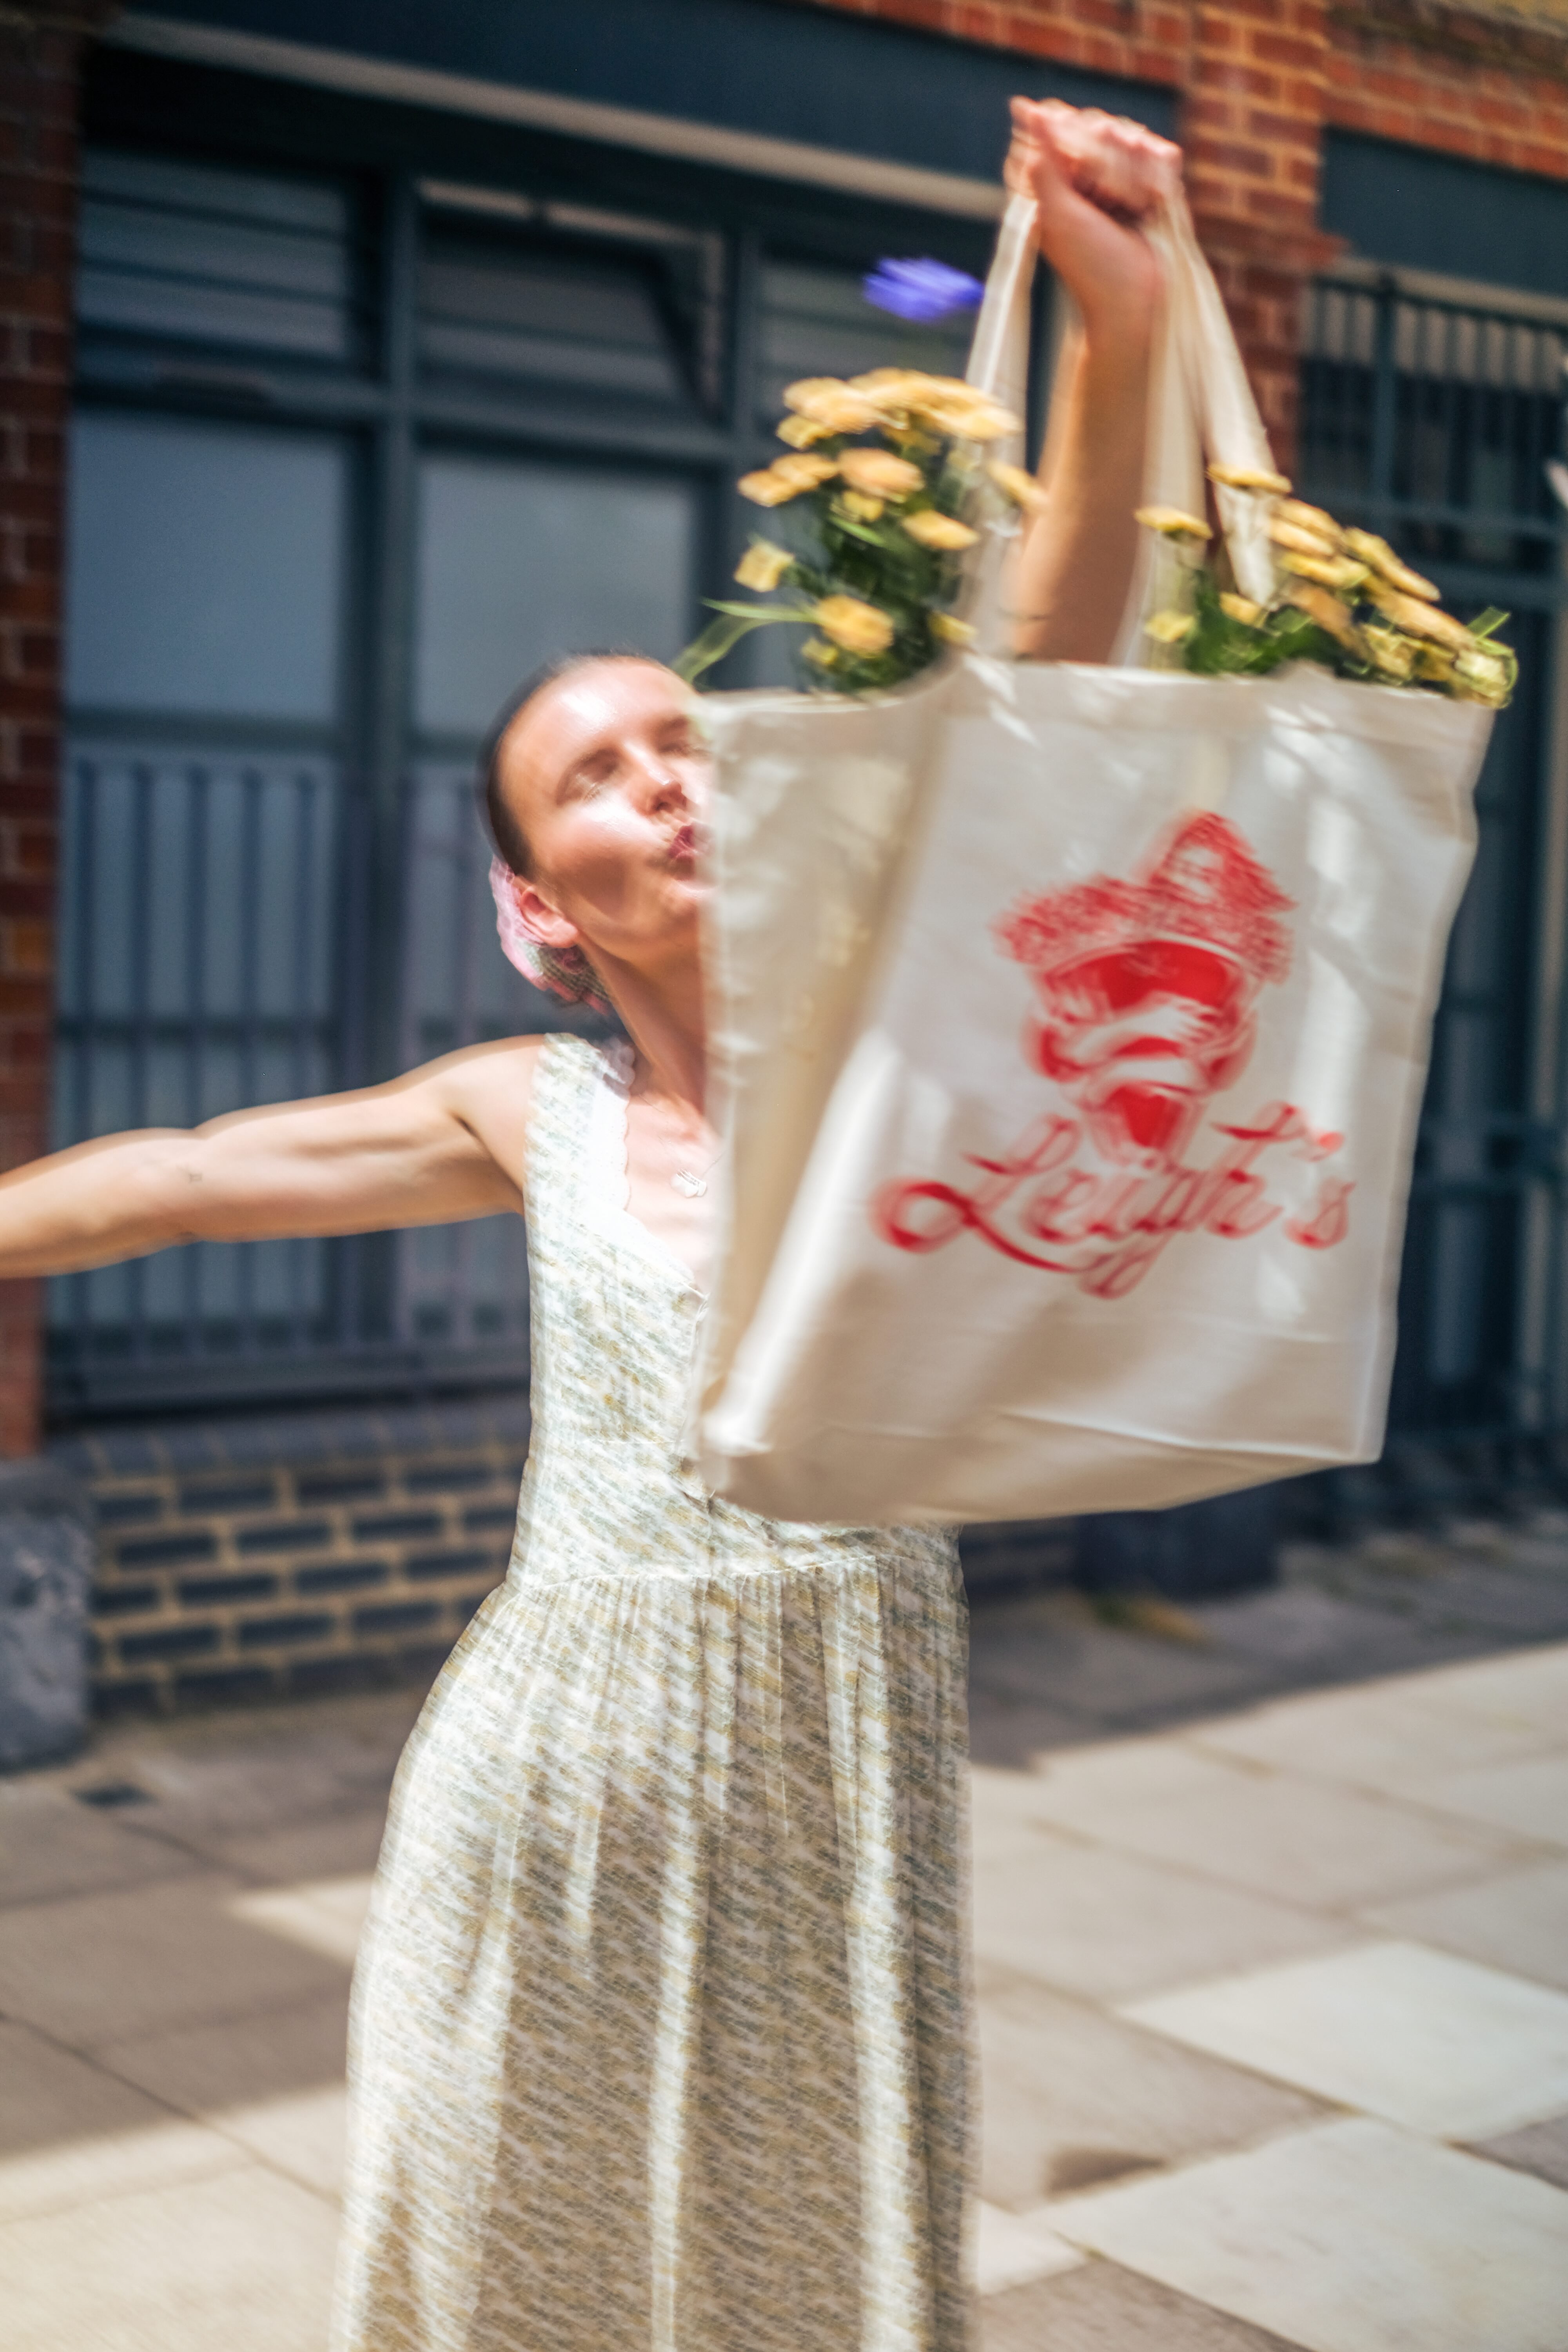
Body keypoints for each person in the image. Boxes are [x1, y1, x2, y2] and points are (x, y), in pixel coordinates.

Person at [0, 99, 1176, 2352]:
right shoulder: (521, 1109)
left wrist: (1116, 324)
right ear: (545, 910)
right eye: (596, 777)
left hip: (839, 1799)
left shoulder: (908, 1041)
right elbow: (163, 1182)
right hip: (553, 1791)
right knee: (516, 2282)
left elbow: (1046, 678)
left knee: (792, 2280)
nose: (669, 774)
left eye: (684, 738)